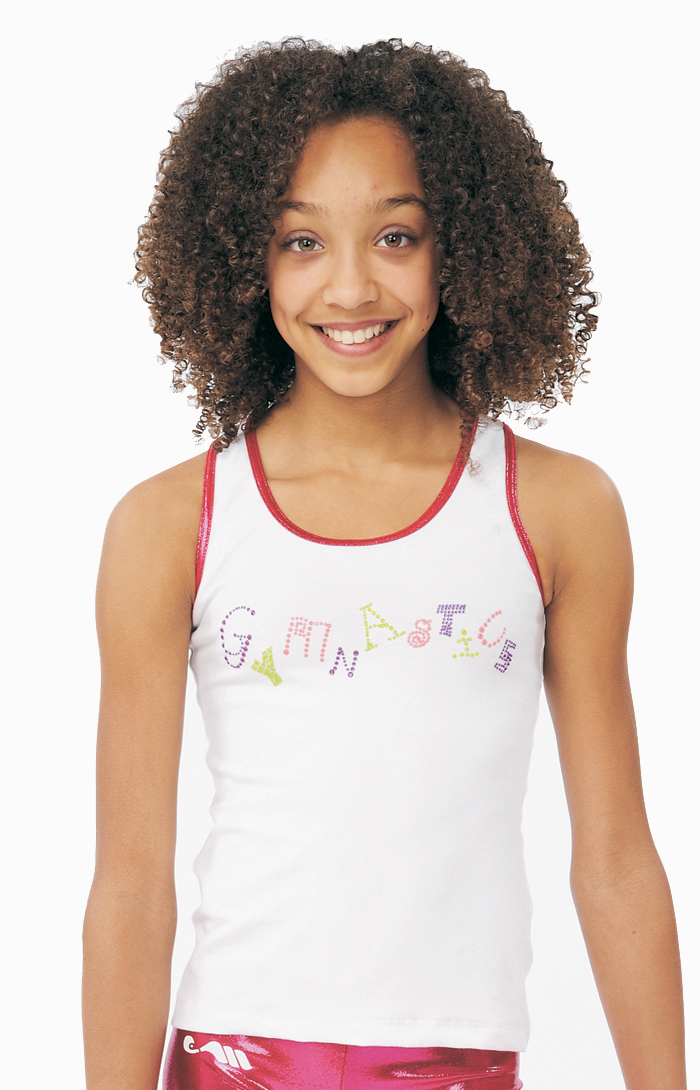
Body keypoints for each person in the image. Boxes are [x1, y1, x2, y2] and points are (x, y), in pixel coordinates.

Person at [82, 38, 686, 1090]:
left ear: (466, 246)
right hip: (237, 1058)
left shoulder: (555, 509)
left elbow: (617, 862)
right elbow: (131, 886)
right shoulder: (172, 523)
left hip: (457, 1059)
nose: (351, 285)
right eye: (301, 241)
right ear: (241, 260)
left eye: (396, 235)